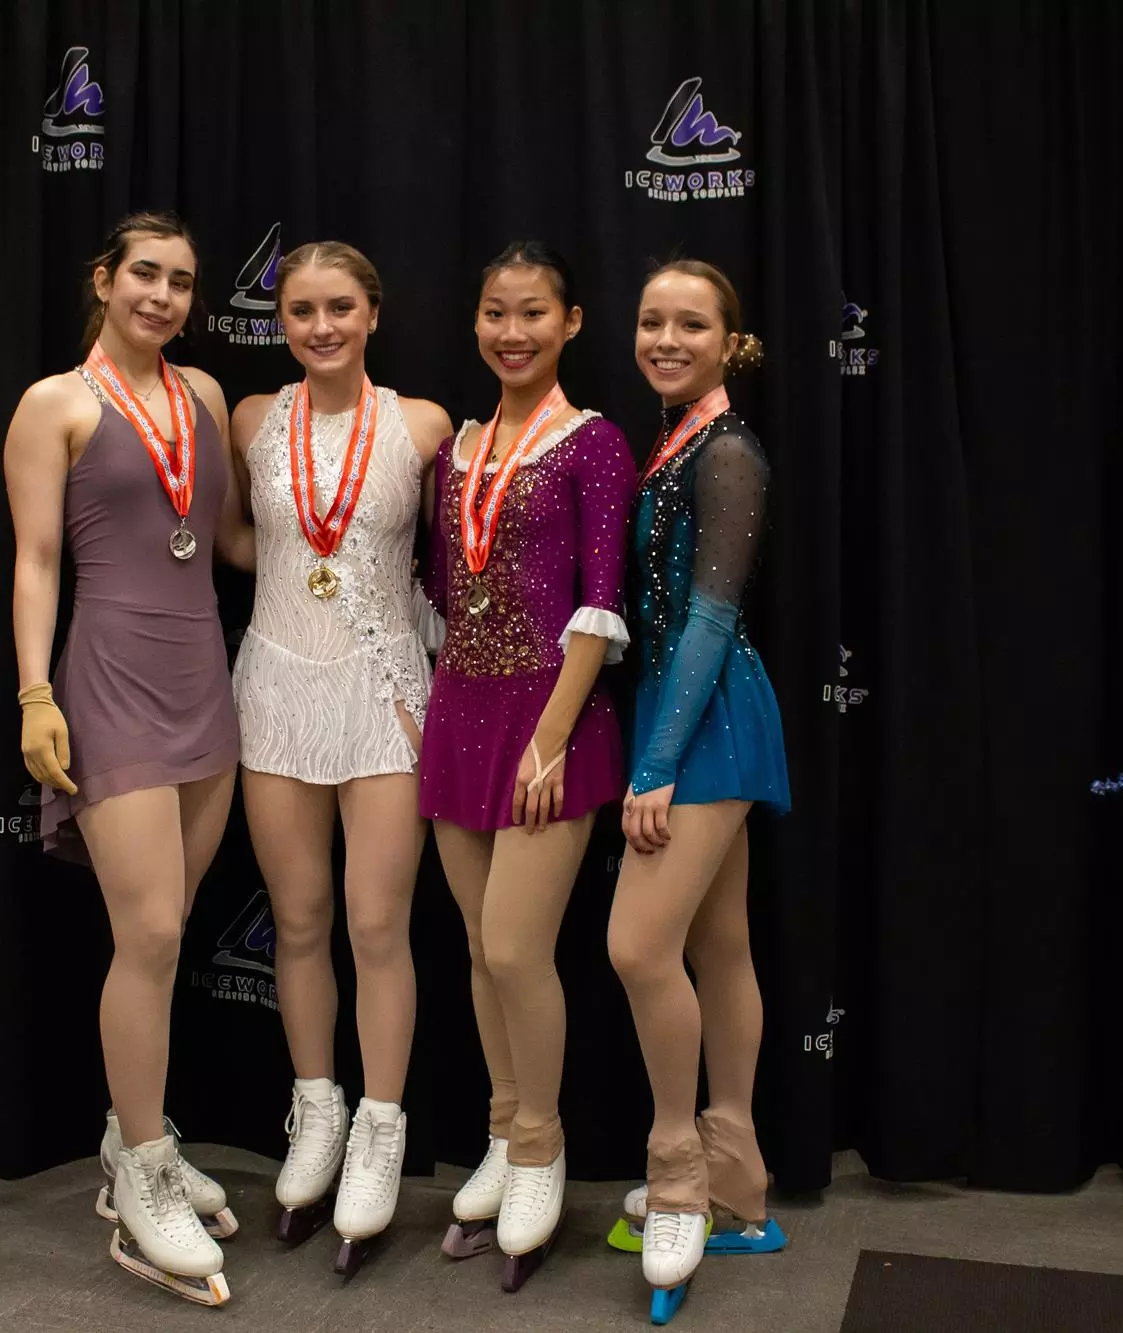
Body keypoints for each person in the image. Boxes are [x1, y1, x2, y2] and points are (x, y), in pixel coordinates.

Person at [2, 210, 244, 1306]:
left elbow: (229, 540)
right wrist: (34, 693)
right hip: (107, 680)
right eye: (144, 273)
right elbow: (37, 558)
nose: (162, 294)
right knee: (143, 930)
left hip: (205, 677)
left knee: (170, 929)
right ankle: (144, 1174)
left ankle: (125, 1137)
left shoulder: (199, 399)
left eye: (182, 281)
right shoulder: (54, 403)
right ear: (104, 279)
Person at [227, 241, 450, 1267]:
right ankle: (315, 1106)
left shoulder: (419, 424)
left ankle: (381, 1127)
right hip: (275, 682)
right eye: (300, 309)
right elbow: (239, 539)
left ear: (371, 313)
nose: (320, 326)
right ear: (281, 320)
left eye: (339, 308)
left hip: (386, 691)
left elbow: (445, 557)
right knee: (301, 918)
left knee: (375, 922)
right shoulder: (247, 420)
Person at [420, 240, 636, 1288]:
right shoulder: (458, 447)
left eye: (533, 314)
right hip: (458, 707)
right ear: (474, 322)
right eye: (495, 312)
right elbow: (442, 581)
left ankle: (542, 1144)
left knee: (515, 947)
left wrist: (550, 738)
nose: (512, 331)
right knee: (474, 943)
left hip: (552, 718)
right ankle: (502, 1132)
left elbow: (600, 604)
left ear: (571, 322)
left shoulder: (593, 444)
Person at [606, 259, 791, 1309]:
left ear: (731, 343)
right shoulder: (676, 437)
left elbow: (711, 619)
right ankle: (740, 1183)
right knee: (718, 945)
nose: (665, 338)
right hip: (689, 710)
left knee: (636, 945)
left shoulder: (725, 453)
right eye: (650, 322)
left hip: (706, 720)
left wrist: (656, 766)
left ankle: (677, 1168)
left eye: (689, 324)